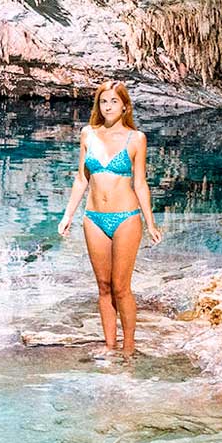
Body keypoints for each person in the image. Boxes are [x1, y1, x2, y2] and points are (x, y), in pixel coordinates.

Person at [57, 80, 161, 357]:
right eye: (104, 101)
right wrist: (67, 215)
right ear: (98, 106)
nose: (108, 106)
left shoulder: (136, 139)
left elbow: (140, 184)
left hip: (126, 218)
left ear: (124, 105)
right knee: (103, 286)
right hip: (93, 219)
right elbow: (81, 179)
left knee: (121, 287)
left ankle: (128, 349)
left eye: (114, 101)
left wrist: (150, 222)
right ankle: (109, 346)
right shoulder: (88, 134)